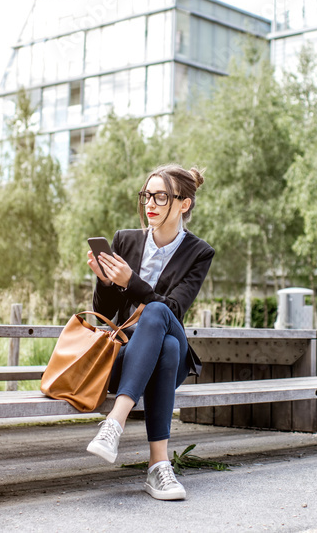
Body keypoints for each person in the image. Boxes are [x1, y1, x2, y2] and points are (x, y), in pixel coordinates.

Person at [85, 163, 214, 501]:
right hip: (128, 358)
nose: (150, 204)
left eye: (160, 196)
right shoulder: (124, 241)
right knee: (168, 349)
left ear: (183, 203)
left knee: (159, 313)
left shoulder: (199, 253)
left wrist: (132, 282)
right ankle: (159, 466)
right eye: (146, 195)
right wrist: (105, 281)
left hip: (169, 338)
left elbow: (174, 309)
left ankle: (115, 422)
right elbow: (105, 314)